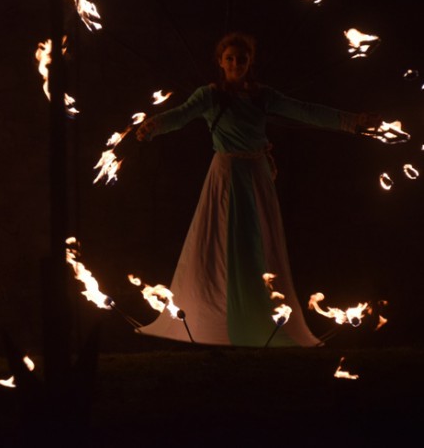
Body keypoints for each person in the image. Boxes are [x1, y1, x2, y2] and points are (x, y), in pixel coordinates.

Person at [134, 33, 378, 347]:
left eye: (242, 58)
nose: (236, 63)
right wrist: (153, 125)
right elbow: (180, 115)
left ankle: (258, 315)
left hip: (258, 174)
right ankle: (219, 316)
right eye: (230, 58)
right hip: (227, 175)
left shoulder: (263, 96)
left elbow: (306, 110)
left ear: (250, 63)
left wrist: (353, 122)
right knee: (225, 242)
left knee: (259, 243)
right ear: (220, 62)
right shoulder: (210, 96)